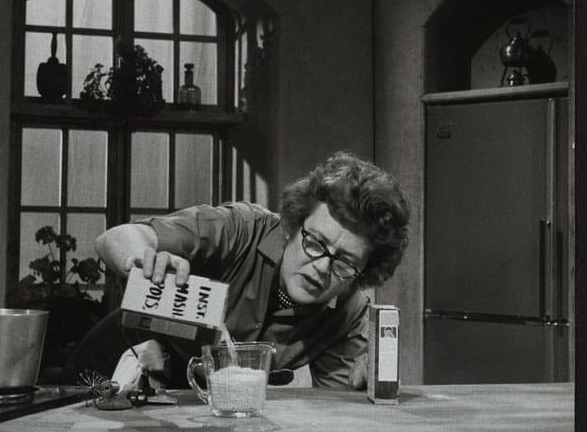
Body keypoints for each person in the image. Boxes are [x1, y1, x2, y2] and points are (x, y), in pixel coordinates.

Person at [65, 151, 410, 390]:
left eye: (345, 262)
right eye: (315, 243)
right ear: (292, 225)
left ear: (364, 271)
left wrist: (366, 387)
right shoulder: (240, 228)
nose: (321, 267)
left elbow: (329, 410)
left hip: (193, 403)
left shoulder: (350, 314)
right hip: (109, 365)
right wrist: (142, 261)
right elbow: (115, 238)